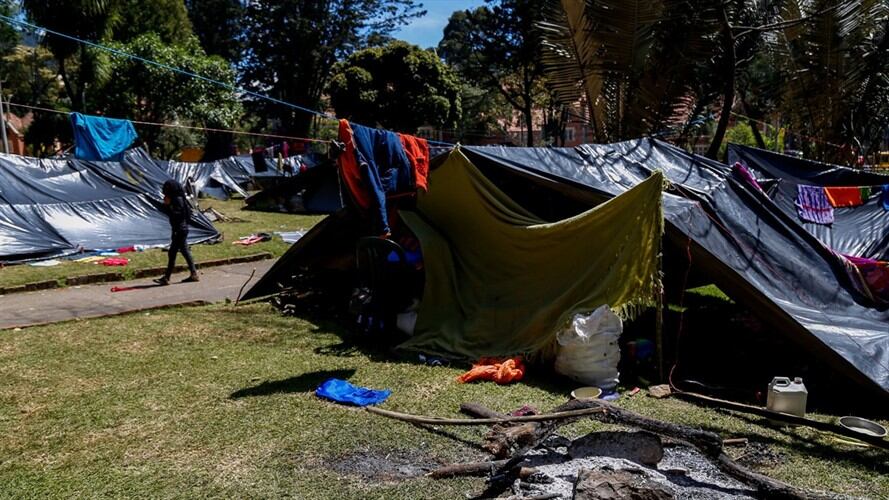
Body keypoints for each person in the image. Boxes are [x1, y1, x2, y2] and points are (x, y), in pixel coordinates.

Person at [154, 179, 199, 285]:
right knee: (184, 251)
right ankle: (193, 274)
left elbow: (177, 214)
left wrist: (168, 205)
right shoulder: (177, 198)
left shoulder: (177, 199)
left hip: (179, 230)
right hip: (180, 229)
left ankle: (167, 277)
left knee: (172, 253)